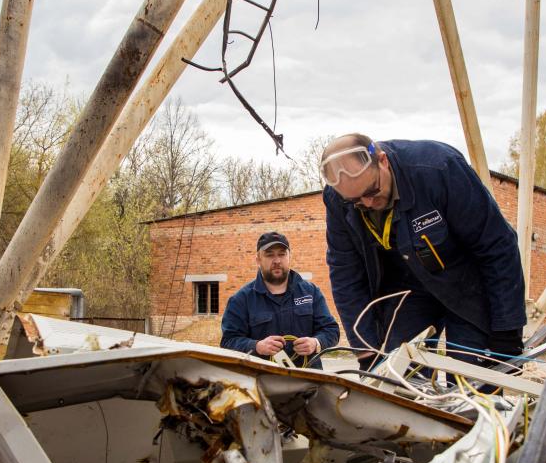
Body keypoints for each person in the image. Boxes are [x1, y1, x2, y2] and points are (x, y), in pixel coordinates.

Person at [320, 134, 525, 369]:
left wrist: (507, 328)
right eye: (356, 200)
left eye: (372, 191)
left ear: (383, 160)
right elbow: (345, 274)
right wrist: (365, 349)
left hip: (467, 283)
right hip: (407, 289)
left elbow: (497, 244)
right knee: (398, 375)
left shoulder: (438, 168)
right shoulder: (337, 199)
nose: (367, 203)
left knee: (475, 376)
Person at [220, 231, 341, 368]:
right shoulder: (241, 300)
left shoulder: (311, 292)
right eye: (270, 255)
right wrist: (257, 346)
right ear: (258, 260)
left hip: (309, 380)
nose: (277, 261)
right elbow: (228, 342)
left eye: (282, 254)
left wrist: (316, 342)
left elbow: (332, 330)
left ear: (289, 257)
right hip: (262, 380)